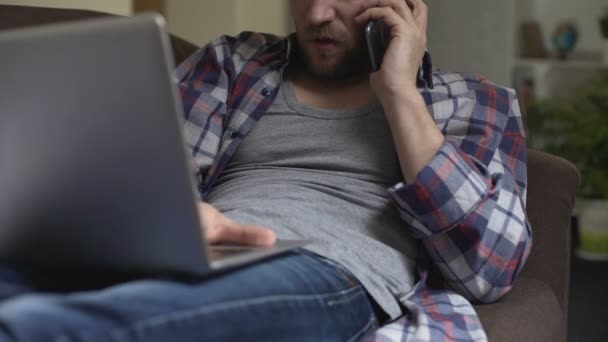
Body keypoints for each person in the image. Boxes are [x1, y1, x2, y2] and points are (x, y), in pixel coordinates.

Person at [0, 0, 532, 341]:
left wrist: (399, 93)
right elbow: (150, 178)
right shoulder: (233, 64)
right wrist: (186, 215)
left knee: (59, 330)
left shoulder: (475, 102)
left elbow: (489, 268)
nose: (318, 14)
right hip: (203, 252)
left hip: (325, 267)